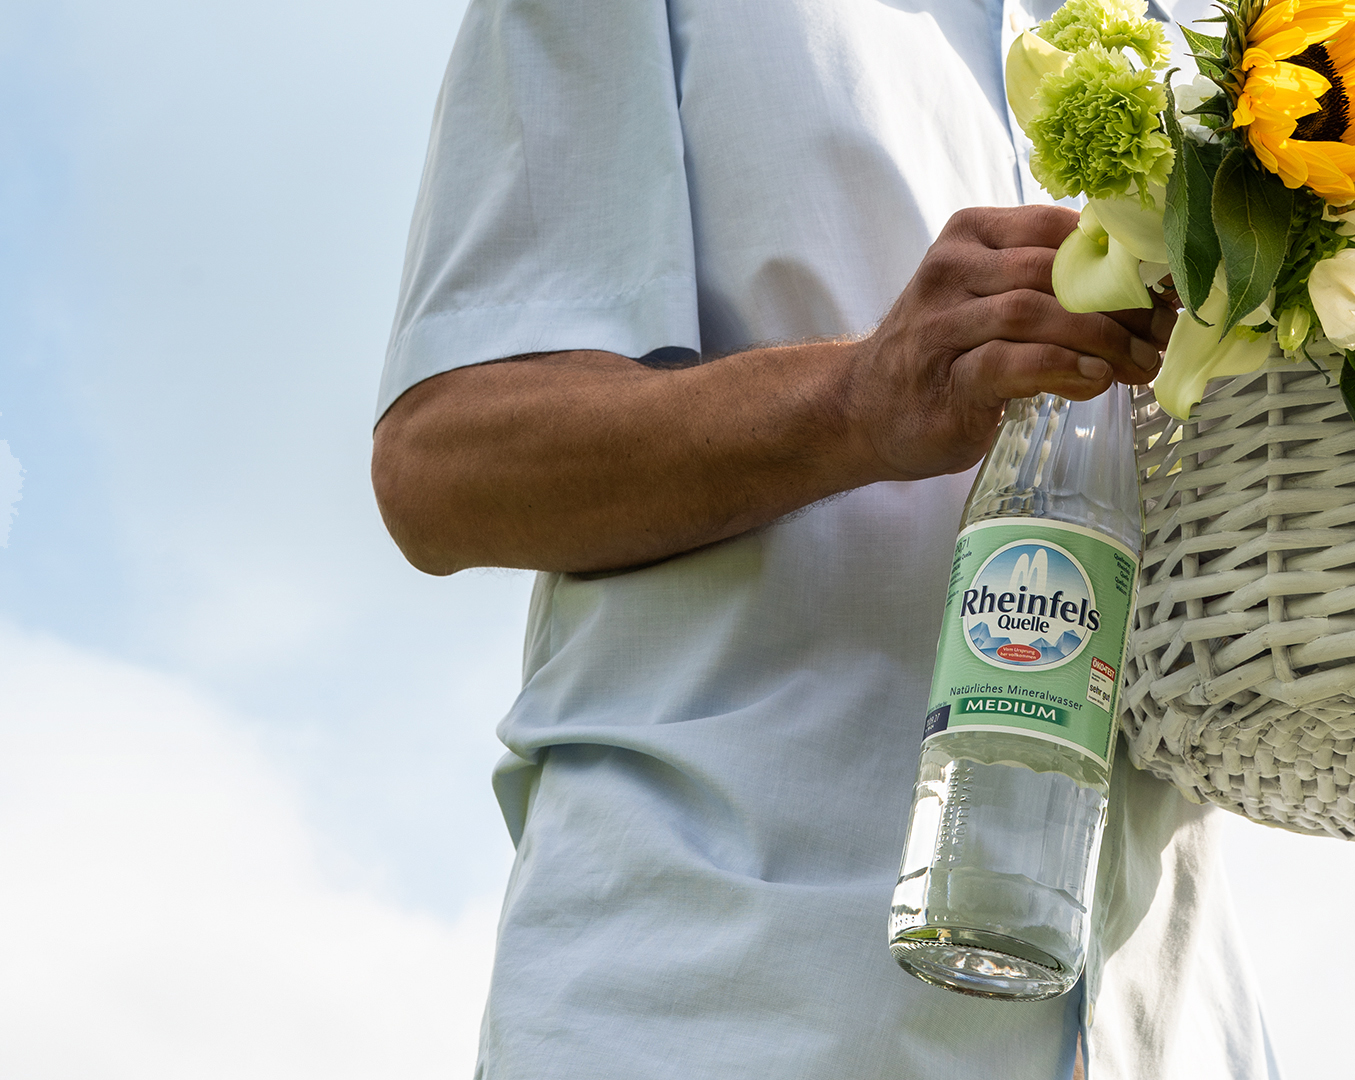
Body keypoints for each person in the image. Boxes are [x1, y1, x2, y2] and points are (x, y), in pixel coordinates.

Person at [371, 1, 1281, 1077]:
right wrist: (854, 399)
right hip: (729, 1012)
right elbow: (444, 466)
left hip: (1171, 1028)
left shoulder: (1217, 35)